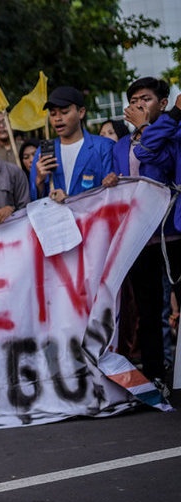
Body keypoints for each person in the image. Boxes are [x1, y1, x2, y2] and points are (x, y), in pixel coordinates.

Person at [103, 77, 178, 387]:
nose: (138, 105)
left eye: (145, 99)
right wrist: (112, 180)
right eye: (134, 100)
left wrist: (147, 128)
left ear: (163, 104)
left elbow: (162, 162)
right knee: (147, 308)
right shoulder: (121, 145)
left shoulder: (172, 135)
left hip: (171, 232)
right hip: (138, 236)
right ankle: (156, 373)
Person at [30, 86, 114, 201]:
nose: (57, 118)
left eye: (64, 112)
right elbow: (36, 201)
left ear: (81, 112)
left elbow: (113, 193)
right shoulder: (44, 151)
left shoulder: (103, 147)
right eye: (53, 114)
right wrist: (39, 180)